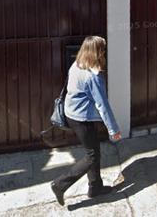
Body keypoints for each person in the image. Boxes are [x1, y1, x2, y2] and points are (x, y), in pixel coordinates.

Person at [51, 35, 122, 205]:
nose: (104, 52)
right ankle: (60, 184)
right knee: (92, 156)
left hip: (72, 114)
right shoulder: (93, 76)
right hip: (82, 119)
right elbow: (102, 105)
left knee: (93, 151)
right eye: (103, 49)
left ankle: (95, 187)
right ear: (98, 52)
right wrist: (113, 129)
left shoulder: (76, 65)